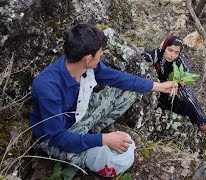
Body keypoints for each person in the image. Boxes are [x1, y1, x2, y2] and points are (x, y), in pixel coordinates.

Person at [29, 24, 178, 177]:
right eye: (100, 52)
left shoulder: (88, 66)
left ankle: (92, 132)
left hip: (80, 115)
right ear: (87, 58)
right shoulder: (48, 87)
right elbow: (59, 137)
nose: (102, 55)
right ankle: (89, 142)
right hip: (56, 138)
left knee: (129, 92)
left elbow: (118, 79)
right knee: (109, 162)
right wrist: (103, 139)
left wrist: (158, 86)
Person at [141, 35, 206, 133]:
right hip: (158, 88)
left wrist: (181, 81)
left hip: (172, 90)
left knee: (186, 93)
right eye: (170, 50)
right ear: (165, 47)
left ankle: (201, 121)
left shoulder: (179, 60)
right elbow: (143, 58)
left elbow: (187, 71)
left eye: (176, 52)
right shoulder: (157, 54)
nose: (172, 55)